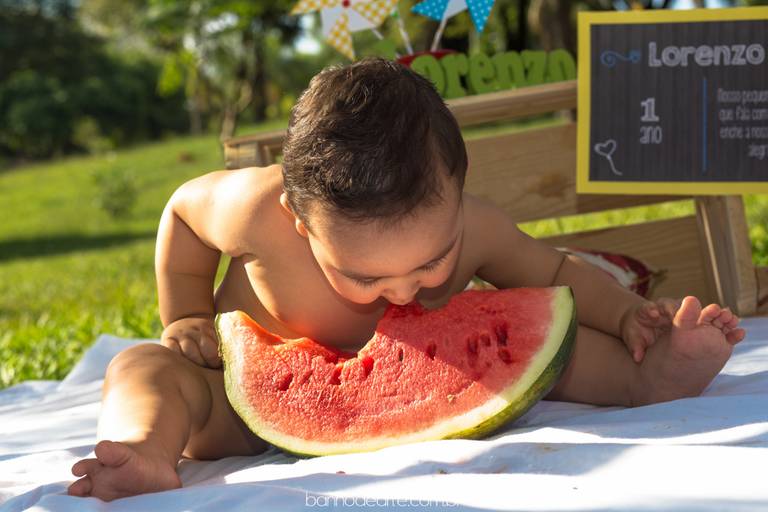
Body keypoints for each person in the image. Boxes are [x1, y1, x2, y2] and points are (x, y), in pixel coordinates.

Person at [68, 58, 745, 501]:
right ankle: (143, 452)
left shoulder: (476, 226)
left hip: (445, 371)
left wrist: (627, 315)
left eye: (431, 263)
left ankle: (648, 377)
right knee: (142, 368)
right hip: (243, 408)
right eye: (363, 276)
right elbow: (182, 214)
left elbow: (557, 271)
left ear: (458, 195)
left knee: (552, 349)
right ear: (297, 222)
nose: (402, 292)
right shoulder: (250, 209)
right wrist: (184, 314)